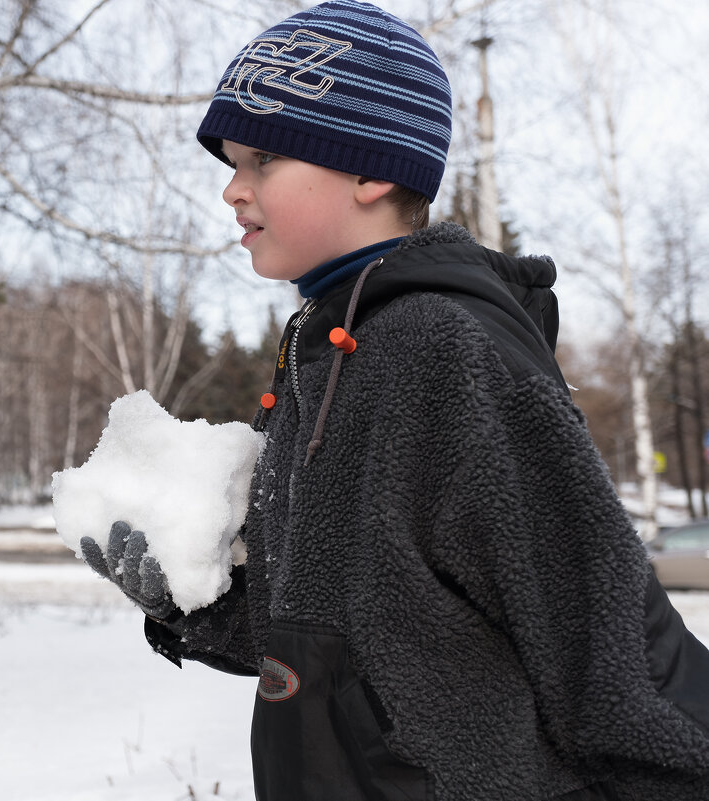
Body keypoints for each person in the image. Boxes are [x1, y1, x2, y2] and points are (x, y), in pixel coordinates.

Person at [77, 2, 709, 799]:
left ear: (372, 171)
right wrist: (194, 603)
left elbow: (604, 637)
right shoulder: (322, 353)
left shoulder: (445, 350)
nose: (232, 191)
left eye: (263, 158)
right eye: (230, 164)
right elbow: (328, 637)